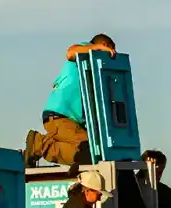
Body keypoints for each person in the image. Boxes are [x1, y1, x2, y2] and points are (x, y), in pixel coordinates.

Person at [23, 34, 117, 168]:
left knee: (94, 152)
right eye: (111, 51)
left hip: (70, 119)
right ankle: (40, 143)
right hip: (60, 115)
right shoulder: (85, 50)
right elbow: (70, 52)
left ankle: (45, 143)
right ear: (105, 45)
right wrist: (98, 48)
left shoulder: (92, 68)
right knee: (88, 152)